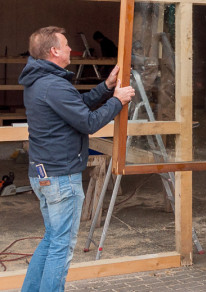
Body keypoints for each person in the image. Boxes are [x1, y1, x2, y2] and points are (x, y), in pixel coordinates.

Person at [19, 27, 134, 292]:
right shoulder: (53, 84)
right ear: (54, 51)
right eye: (67, 45)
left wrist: (106, 87)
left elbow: (75, 105)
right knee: (61, 246)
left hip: (44, 174)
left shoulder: (40, 81)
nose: (72, 49)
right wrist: (117, 101)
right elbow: (88, 121)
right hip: (60, 177)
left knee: (51, 240)